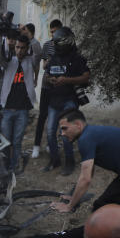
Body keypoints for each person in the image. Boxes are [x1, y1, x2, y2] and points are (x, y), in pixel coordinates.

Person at [53, 110, 120, 215]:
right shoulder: (88, 135)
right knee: (101, 208)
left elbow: (85, 179)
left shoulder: (86, 139)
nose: (62, 133)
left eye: (64, 128)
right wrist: (74, 199)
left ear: (78, 124)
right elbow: (87, 174)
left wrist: (69, 206)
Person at [42, 26, 89, 176]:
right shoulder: (54, 57)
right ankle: (55, 160)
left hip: (69, 100)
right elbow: (47, 75)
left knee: (66, 133)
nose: (56, 45)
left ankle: (70, 162)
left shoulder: (76, 58)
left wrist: (66, 80)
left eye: (58, 42)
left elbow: (86, 77)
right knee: (50, 132)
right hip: (54, 100)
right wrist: (51, 79)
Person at [0, 39, 38, 172]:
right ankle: (5, 166)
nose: (19, 50)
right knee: (6, 141)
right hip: (7, 109)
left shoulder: (30, 61)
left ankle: (14, 167)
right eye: (17, 47)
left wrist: (30, 37)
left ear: (27, 48)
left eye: (22, 48)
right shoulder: (8, 61)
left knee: (17, 141)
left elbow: (39, 53)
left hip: (22, 110)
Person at [32, 18, 62, 160]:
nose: (53, 35)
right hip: (46, 85)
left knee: (55, 116)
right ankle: (36, 146)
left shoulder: (66, 46)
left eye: (55, 32)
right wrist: (51, 58)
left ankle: (51, 144)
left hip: (59, 85)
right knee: (42, 115)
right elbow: (43, 66)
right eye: (51, 32)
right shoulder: (47, 45)